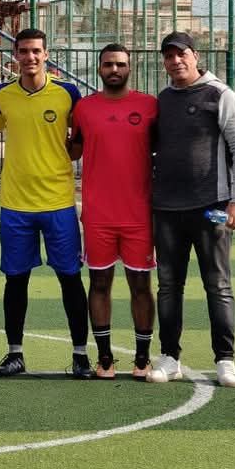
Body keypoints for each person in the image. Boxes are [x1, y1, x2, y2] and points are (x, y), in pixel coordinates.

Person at [0, 29, 91, 379]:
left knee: (70, 279)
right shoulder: (2, 95)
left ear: (46, 54)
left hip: (58, 202)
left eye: (36, 51)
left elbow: (80, 139)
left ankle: (80, 355)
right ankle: (15, 353)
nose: (30, 57)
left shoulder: (67, 93)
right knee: (16, 280)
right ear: (15, 55)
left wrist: (65, 154)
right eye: (23, 51)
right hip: (15, 203)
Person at [148, 32, 235, 388]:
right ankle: (170, 358)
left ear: (195, 55)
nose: (176, 61)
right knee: (168, 286)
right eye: (169, 56)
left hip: (211, 208)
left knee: (218, 285)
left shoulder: (220, 94)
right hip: (166, 209)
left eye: (182, 54)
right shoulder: (163, 99)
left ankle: (225, 360)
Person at [68, 44, 158, 379]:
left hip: (139, 214)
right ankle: (104, 358)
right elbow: (72, 151)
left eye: (120, 64)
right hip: (98, 215)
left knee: (141, 285)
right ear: (99, 69)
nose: (114, 69)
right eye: (108, 64)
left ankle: (142, 358)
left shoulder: (150, 106)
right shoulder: (84, 108)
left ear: (129, 68)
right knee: (99, 283)